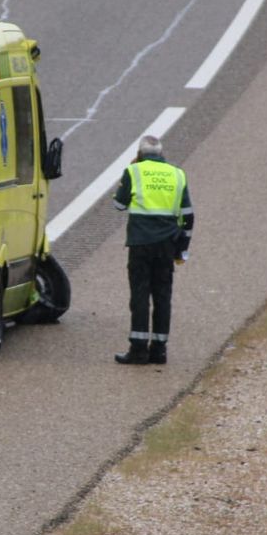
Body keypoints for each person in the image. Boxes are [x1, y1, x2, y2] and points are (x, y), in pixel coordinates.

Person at [112, 135, 193, 365]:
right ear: (161, 153)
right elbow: (188, 216)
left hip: (140, 243)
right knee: (162, 295)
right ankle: (159, 350)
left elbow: (118, 204)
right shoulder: (177, 174)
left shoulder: (134, 171)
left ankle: (138, 350)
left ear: (140, 153)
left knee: (140, 294)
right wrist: (182, 249)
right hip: (167, 244)